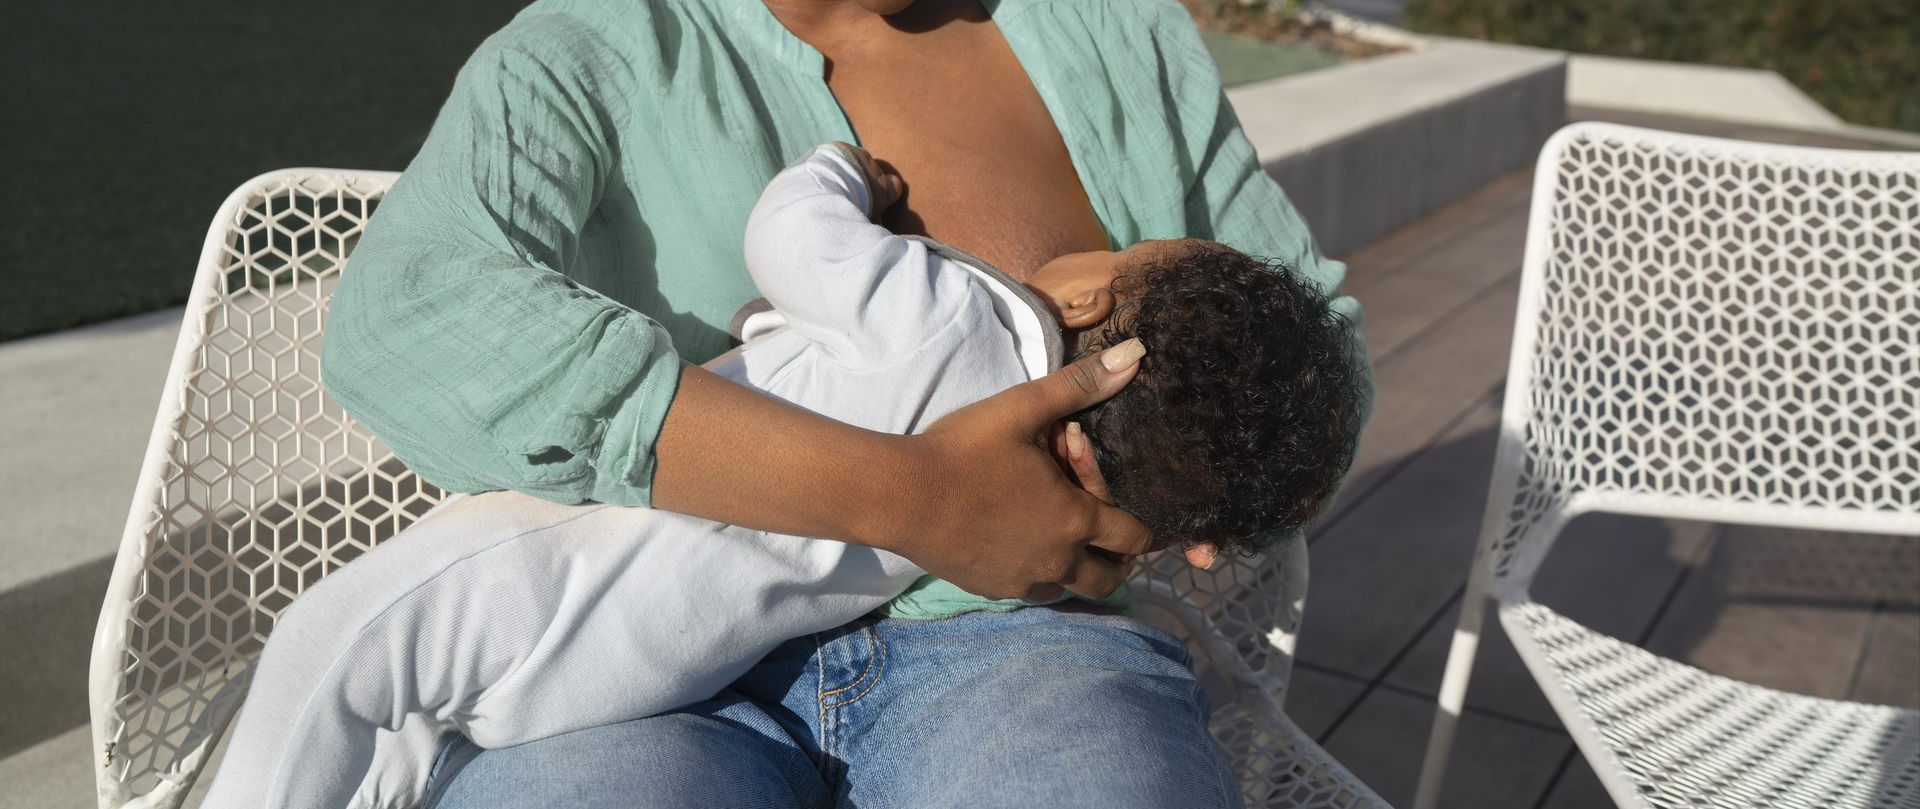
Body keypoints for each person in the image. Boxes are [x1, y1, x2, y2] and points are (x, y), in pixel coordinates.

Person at [314, 0, 1375, 804]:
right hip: (636, 668)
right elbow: (408, 318)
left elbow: (1323, 350)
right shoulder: (588, 59)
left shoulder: (1119, 46)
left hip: (1023, 650)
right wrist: (909, 497)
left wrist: (1181, 480)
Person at [204, 142, 1368, 809]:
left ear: (1081, 300)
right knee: (397, 714)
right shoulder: (1064, 508)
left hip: (557, 571)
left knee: (335, 653)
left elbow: (788, 237)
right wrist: (1191, 504)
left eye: (1127, 245)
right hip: (643, 670)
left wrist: (836, 176)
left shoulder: (953, 310)